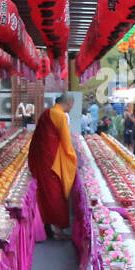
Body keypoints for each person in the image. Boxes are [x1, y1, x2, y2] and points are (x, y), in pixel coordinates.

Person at [28, 92, 78, 239]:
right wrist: (73, 158)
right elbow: (66, 142)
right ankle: (57, 230)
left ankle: (47, 226)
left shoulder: (47, 113)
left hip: (41, 158)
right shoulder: (60, 116)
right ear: (69, 103)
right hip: (52, 161)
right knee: (55, 194)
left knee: (44, 193)